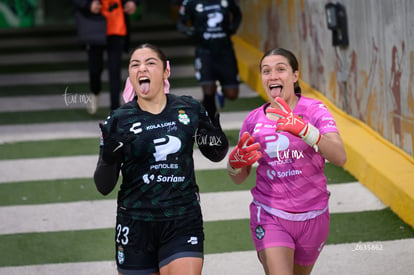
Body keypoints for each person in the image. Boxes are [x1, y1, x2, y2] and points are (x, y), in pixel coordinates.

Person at [93, 43, 229, 275]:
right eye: (135, 64)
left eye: (150, 63)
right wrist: (108, 159)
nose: (141, 69)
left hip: (182, 219)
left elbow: (216, 155)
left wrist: (217, 139)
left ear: (166, 71)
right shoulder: (118, 120)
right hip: (135, 224)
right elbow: (103, 186)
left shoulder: (189, 108)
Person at [227, 48, 347, 275]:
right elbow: (239, 178)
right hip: (270, 214)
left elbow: (340, 157)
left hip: (314, 215)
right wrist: (233, 164)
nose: (272, 75)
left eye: (280, 69)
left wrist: (306, 131)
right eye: (266, 71)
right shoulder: (253, 120)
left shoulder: (315, 110)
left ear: (295, 75)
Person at [176, 0, 242, 121]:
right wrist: (190, 32)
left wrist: (233, 28)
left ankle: (220, 91)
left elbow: (237, 14)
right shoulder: (191, 2)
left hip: (225, 52)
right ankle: (211, 124)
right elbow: (181, 23)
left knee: (232, 94)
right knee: (208, 90)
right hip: (204, 52)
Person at [73, 0, 140, 114]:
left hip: (117, 26)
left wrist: (134, 2)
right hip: (94, 24)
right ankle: (95, 91)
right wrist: (88, 4)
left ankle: (114, 110)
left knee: (115, 70)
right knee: (95, 69)